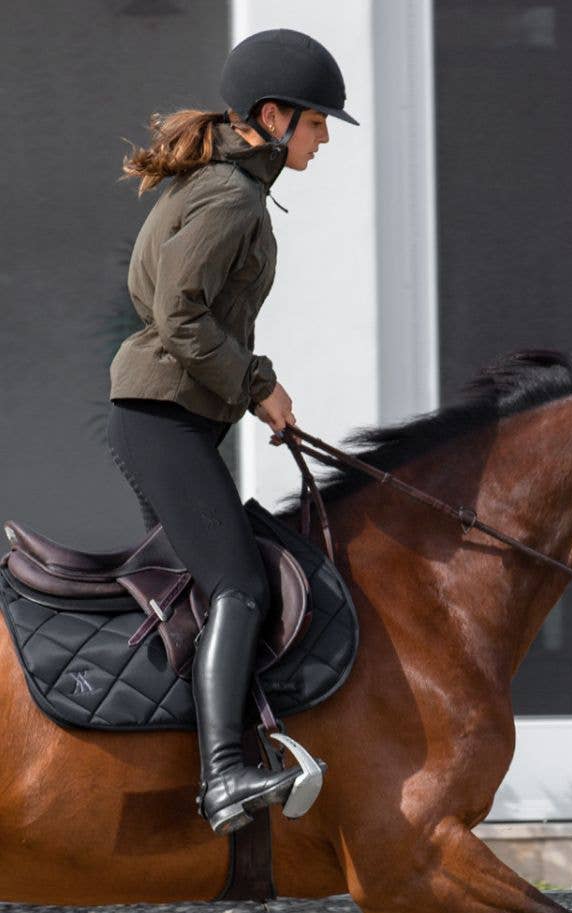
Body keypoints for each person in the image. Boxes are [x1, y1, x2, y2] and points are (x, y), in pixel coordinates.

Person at [107, 29, 358, 835]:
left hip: (166, 416)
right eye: (317, 123)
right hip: (163, 420)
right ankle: (222, 777)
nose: (321, 140)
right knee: (241, 585)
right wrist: (257, 385)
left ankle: (183, 756)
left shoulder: (217, 183)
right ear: (274, 116)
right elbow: (179, 314)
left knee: (206, 591)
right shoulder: (231, 197)